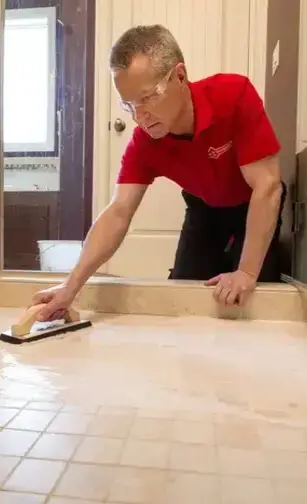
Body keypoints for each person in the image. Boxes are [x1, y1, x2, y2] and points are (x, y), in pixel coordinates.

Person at [33, 24, 286, 321]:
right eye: (128, 105)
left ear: (180, 76)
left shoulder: (233, 94)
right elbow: (118, 212)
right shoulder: (144, 144)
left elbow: (268, 186)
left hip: (253, 201)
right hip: (204, 208)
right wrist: (70, 287)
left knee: (255, 294)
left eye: (148, 97)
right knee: (183, 292)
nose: (140, 117)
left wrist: (245, 272)